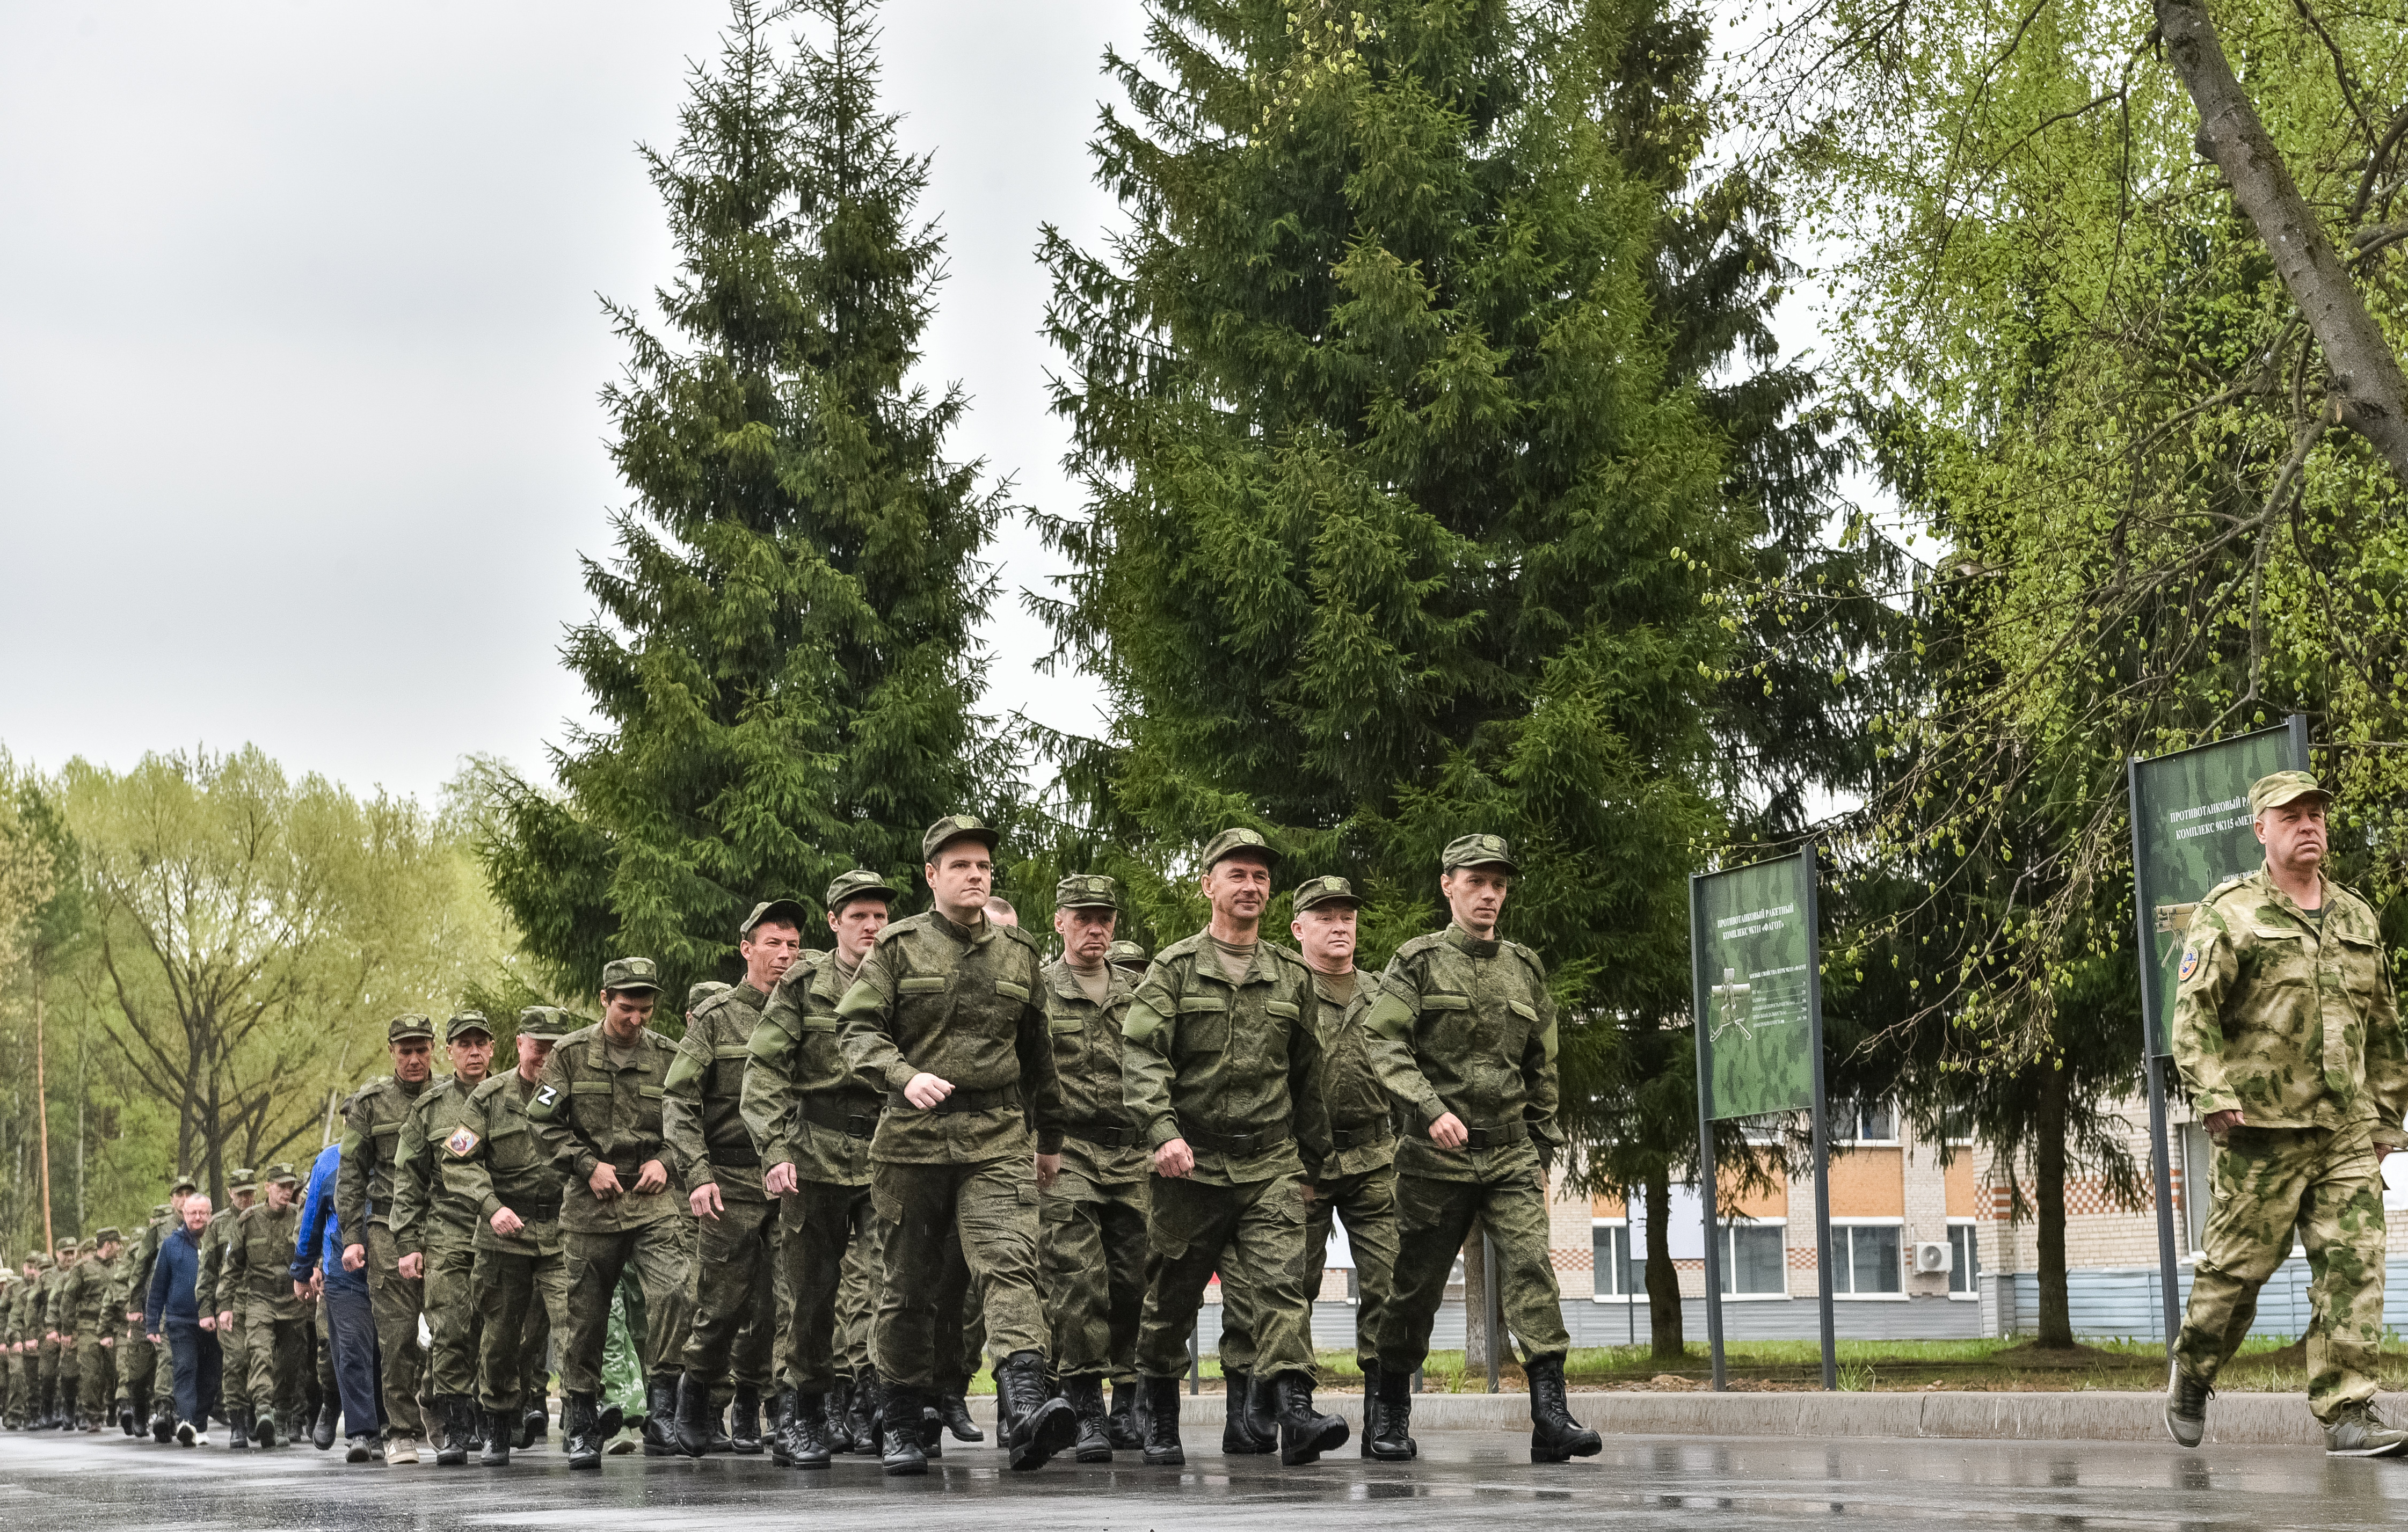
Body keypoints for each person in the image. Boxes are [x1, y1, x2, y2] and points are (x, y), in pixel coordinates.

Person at [2165, 770, 2408, 1455]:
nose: (2310, 824)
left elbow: (2384, 1024)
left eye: (2317, 814)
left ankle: (2348, 1411)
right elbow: (2194, 1016)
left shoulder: (2357, 916)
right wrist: (2213, 1095)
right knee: (2236, 1274)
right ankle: (2193, 1370)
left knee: (2355, 1266)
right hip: (2259, 1133)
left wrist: (2388, 1117)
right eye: (2293, 815)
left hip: (2344, 1132)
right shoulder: (2231, 911)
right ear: (2260, 829)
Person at [834, 814, 1075, 1475]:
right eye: (961, 865)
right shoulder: (898, 948)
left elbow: (1039, 1055)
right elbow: (855, 1031)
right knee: (909, 1287)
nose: (976, 875)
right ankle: (905, 1418)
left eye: (984, 866)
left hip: (997, 1135)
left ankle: (1026, 1400)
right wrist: (903, 1076)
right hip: (912, 1142)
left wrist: (1049, 1137)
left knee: (1008, 1262)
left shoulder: (1019, 953)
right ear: (932, 875)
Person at [1362, 834, 1597, 1464]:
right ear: (1448, 885)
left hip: (1511, 1155)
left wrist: (1542, 1142)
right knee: (1413, 1286)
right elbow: (1382, 1042)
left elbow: (1542, 1062)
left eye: (1498, 883)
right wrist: (1428, 1107)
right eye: (1476, 882)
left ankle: (1551, 1414)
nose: (1489, 894)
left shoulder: (1525, 967)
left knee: (1532, 1273)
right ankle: (1388, 1411)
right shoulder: (1416, 961)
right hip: (1433, 1158)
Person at [1123, 827, 1345, 1468]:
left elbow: (1308, 1075)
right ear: (1208, 884)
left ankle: (1296, 1413)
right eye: (1238, 874)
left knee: (1281, 1286)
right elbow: (1141, 1056)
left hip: (1269, 1161)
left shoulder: (1291, 974)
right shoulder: (1173, 969)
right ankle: (1160, 1411)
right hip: (1188, 1166)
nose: (1251, 886)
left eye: (1261, 877)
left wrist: (1316, 1164)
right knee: (1171, 1299)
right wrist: (1162, 1133)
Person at [1221, 876, 1406, 1456]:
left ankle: (1388, 1416)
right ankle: (1264, 1403)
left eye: (1347, 916)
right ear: (1298, 928)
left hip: (1375, 1156)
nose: (1339, 926)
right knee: (1283, 1285)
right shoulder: (1282, 992)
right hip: (1298, 1161)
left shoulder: (1383, 995)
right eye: (1325, 917)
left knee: (1391, 1283)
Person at [745, 870, 897, 1468]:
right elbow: (763, 1072)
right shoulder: (804, 983)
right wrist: (777, 1151)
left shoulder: (902, 977)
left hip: (889, 1151)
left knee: (896, 1284)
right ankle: (801, 1413)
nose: (871, 926)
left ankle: (890, 1408)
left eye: (880, 916)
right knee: (811, 1294)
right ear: (834, 922)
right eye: (859, 915)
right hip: (816, 1155)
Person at [528, 957, 694, 1469]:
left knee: (677, 1292)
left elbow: (689, 1119)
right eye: (627, 1008)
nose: (637, 1019)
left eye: (645, 1010)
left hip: (650, 1201)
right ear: (604, 1000)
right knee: (586, 1317)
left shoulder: (669, 1056)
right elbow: (541, 1121)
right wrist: (585, 1165)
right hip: (591, 1203)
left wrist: (667, 1162)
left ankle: (663, 1405)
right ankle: (581, 1420)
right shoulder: (570, 1055)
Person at [666, 900, 810, 1458]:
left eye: (794, 944)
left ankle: (769, 1407)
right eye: (773, 943)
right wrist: (698, 1174)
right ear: (747, 948)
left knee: (790, 1303)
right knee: (723, 1304)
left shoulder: (809, 1009)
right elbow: (679, 1100)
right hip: (729, 1178)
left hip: (792, 1176)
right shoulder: (717, 1018)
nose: (784, 954)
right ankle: (696, 1393)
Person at [1036, 873, 1150, 1460]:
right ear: (1060, 922)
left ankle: (1128, 1394)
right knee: (1079, 1278)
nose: (1095, 927)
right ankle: (1085, 1404)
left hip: (1132, 1152)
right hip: (1067, 1151)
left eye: (1104, 917)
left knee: (1133, 1279)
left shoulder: (1140, 993)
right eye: (1082, 916)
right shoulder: (1038, 990)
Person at [449, 1006, 579, 1467]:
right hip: (505, 1232)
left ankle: (581, 1423)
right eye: (537, 1045)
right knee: (501, 1337)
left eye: (553, 1046)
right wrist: (491, 1206)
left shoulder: (575, 1092)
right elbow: (457, 1162)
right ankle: (498, 1423)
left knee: (574, 1323)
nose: (544, 1055)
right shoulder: (488, 1097)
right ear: (520, 1043)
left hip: (563, 1228)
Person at [391, 1011, 498, 1464]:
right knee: (451, 1327)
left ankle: (490, 1415)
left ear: (493, 1048)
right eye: (464, 1044)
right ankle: (456, 1428)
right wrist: (408, 1244)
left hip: (507, 1232)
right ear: (450, 1051)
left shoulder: (513, 1096)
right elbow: (408, 1179)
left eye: (481, 1043)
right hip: (449, 1232)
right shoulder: (430, 1108)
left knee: (498, 1331)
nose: (473, 1052)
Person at [338, 1013, 441, 1464]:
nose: (415, 1059)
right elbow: (350, 1174)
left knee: (455, 1328)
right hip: (386, 1231)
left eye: (422, 1049)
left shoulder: (456, 1097)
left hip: (446, 1227)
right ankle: (400, 1430)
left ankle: (438, 1405)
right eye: (406, 1051)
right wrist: (350, 1237)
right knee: (397, 1337)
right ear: (392, 1052)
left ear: (434, 1048)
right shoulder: (370, 1103)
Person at [290, 1138, 382, 1463]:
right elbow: (310, 1218)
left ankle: (384, 1425)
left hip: (390, 1264)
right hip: (340, 1269)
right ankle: (349, 1419)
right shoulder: (328, 1161)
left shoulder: (394, 1148)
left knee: (388, 1349)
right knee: (344, 1348)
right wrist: (306, 1268)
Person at [227, 1164, 311, 1446]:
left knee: (289, 1363)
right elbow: (232, 1267)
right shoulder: (248, 1221)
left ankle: (283, 1415)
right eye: (281, 1187)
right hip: (260, 1298)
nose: (286, 1193)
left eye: (290, 1187)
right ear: (267, 1188)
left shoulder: (301, 1218)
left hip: (293, 1299)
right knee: (260, 1353)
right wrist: (224, 1305)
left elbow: (314, 1252)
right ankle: (264, 1411)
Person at [147, 1194, 220, 1446]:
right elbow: (158, 1287)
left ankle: (199, 1424)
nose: (198, 1218)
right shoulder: (170, 1245)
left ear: (210, 1214)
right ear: (184, 1215)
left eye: (203, 1213)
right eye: (192, 1213)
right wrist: (152, 1323)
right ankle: (186, 1422)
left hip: (212, 1320)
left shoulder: (219, 1241)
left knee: (211, 1376)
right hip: (180, 1321)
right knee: (185, 1368)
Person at [194, 1168, 258, 1445]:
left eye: (250, 1193)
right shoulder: (218, 1225)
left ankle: (261, 1416)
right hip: (229, 1302)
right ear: (231, 1194)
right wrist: (207, 1310)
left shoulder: (262, 1218)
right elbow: (207, 1272)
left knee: (263, 1362)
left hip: (261, 1300)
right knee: (236, 1362)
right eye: (241, 1193)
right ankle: (238, 1422)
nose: (247, 1198)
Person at [66, 1227, 126, 1433]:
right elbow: (68, 1299)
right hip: (89, 1326)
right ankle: (93, 1415)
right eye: (118, 1243)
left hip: (115, 1325)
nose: (121, 1248)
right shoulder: (83, 1268)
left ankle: (114, 1406)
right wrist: (67, 1330)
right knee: (91, 1372)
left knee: (118, 1369)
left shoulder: (122, 1266)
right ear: (108, 1244)